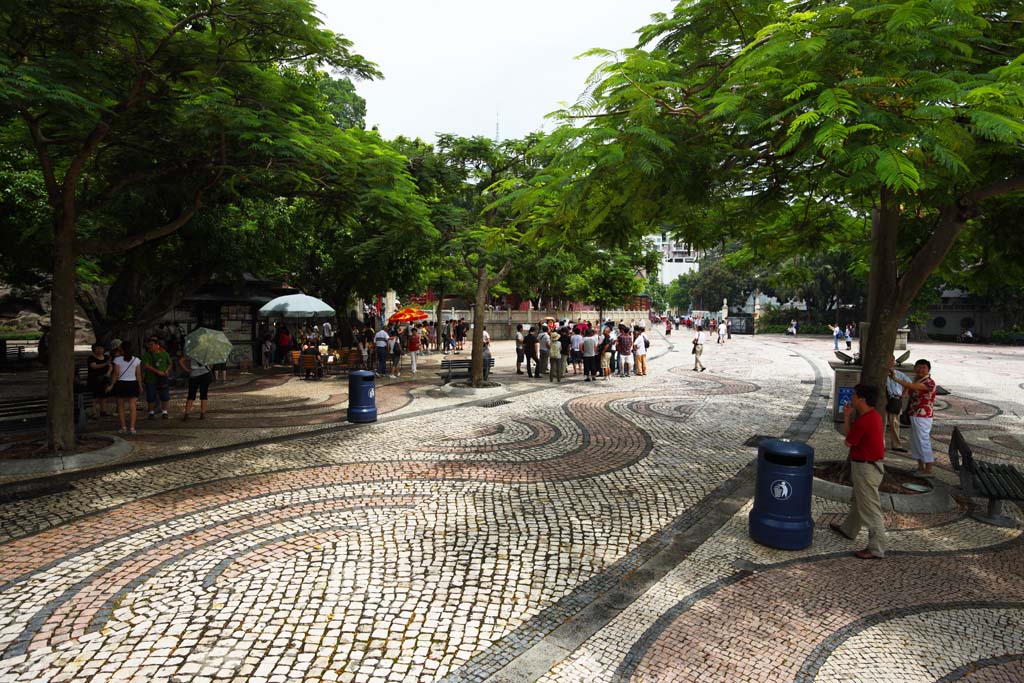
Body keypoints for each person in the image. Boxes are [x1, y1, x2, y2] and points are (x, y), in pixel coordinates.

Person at [829, 383, 887, 560]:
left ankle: (876, 548)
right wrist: (847, 417)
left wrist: (848, 420)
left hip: (866, 467)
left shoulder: (865, 420)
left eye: (854, 395)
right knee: (859, 500)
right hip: (868, 465)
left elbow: (848, 442)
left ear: (861, 398)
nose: (851, 397)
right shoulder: (872, 416)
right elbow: (851, 437)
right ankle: (849, 529)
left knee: (870, 508)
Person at [889, 358, 937, 475]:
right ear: (915, 368)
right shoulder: (917, 379)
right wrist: (905, 392)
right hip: (914, 413)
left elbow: (911, 386)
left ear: (928, 370)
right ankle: (920, 466)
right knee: (915, 440)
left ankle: (928, 468)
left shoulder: (929, 383)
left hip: (923, 415)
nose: (920, 370)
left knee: (922, 439)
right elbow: (909, 386)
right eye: (918, 367)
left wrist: (895, 378)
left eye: (923, 368)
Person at [108, 340, 142, 435]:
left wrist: (111, 385)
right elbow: (138, 375)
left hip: (121, 383)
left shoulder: (117, 360)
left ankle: (123, 427)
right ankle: (132, 428)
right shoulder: (136, 360)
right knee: (133, 407)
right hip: (133, 383)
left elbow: (116, 374)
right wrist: (140, 385)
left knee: (121, 407)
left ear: (121, 349)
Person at [141, 337, 172, 420]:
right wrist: (157, 371)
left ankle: (164, 412)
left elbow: (170, 363)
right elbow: (146, 365)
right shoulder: (147, 354)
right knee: (151, 396)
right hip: (151, 379)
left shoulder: (164, 353)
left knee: (165, 396)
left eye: (152, 345)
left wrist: (167, 370)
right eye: (149, 345)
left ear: (157, 345)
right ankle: (151, 412)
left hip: (163, 378)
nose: (150, 346)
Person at [885, 356, 910, 453]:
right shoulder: (881, 374)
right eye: (888, 360)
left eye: (892, 360)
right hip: (884, 399)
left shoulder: (899, 374)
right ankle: (881, 444)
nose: (890, 362)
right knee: (882, 423)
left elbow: (909, 384)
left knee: (895, 423)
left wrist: (904, 394)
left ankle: (896, 445)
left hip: (895, 399)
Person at [179, 352, 212, 420]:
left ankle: (186, 414)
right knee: (204, 394)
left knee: (191, 395)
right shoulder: (206, 352)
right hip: (205, 374)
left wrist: (187, 370)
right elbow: (211, 365)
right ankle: (202, 414)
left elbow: (181, 361)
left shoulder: (192, 352)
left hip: (194, 375)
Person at [86, 342, 111, 419]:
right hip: (94, 379)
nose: (100, 350)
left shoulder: (106, 357)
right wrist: (105, 364)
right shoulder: (91, 358)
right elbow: (94, 366)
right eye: (98, 348)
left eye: (101, 348)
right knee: (94, 397)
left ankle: (103, 411)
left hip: (104, 379)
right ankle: (93, 412)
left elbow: (110, 366)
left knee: (103, 396)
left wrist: (108, 373)